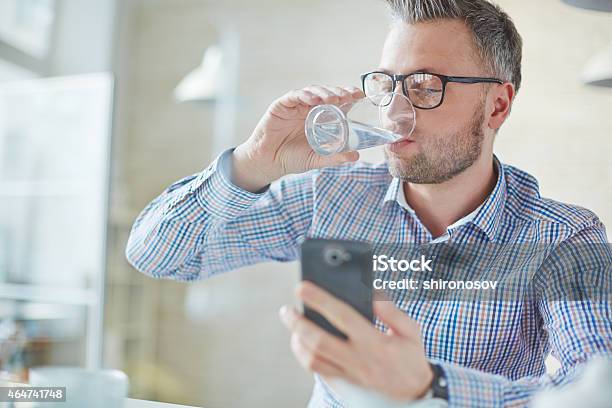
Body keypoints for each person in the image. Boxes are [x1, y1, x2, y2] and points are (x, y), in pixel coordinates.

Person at [126, 0, 611, 406]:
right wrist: (253, 164)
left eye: (425, 88)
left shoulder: (562, 237)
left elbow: (593, 391)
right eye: (386, 85)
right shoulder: (331, 194)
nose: (395, 112)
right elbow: (158, 254)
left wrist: (429, 388)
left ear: (498, 105)